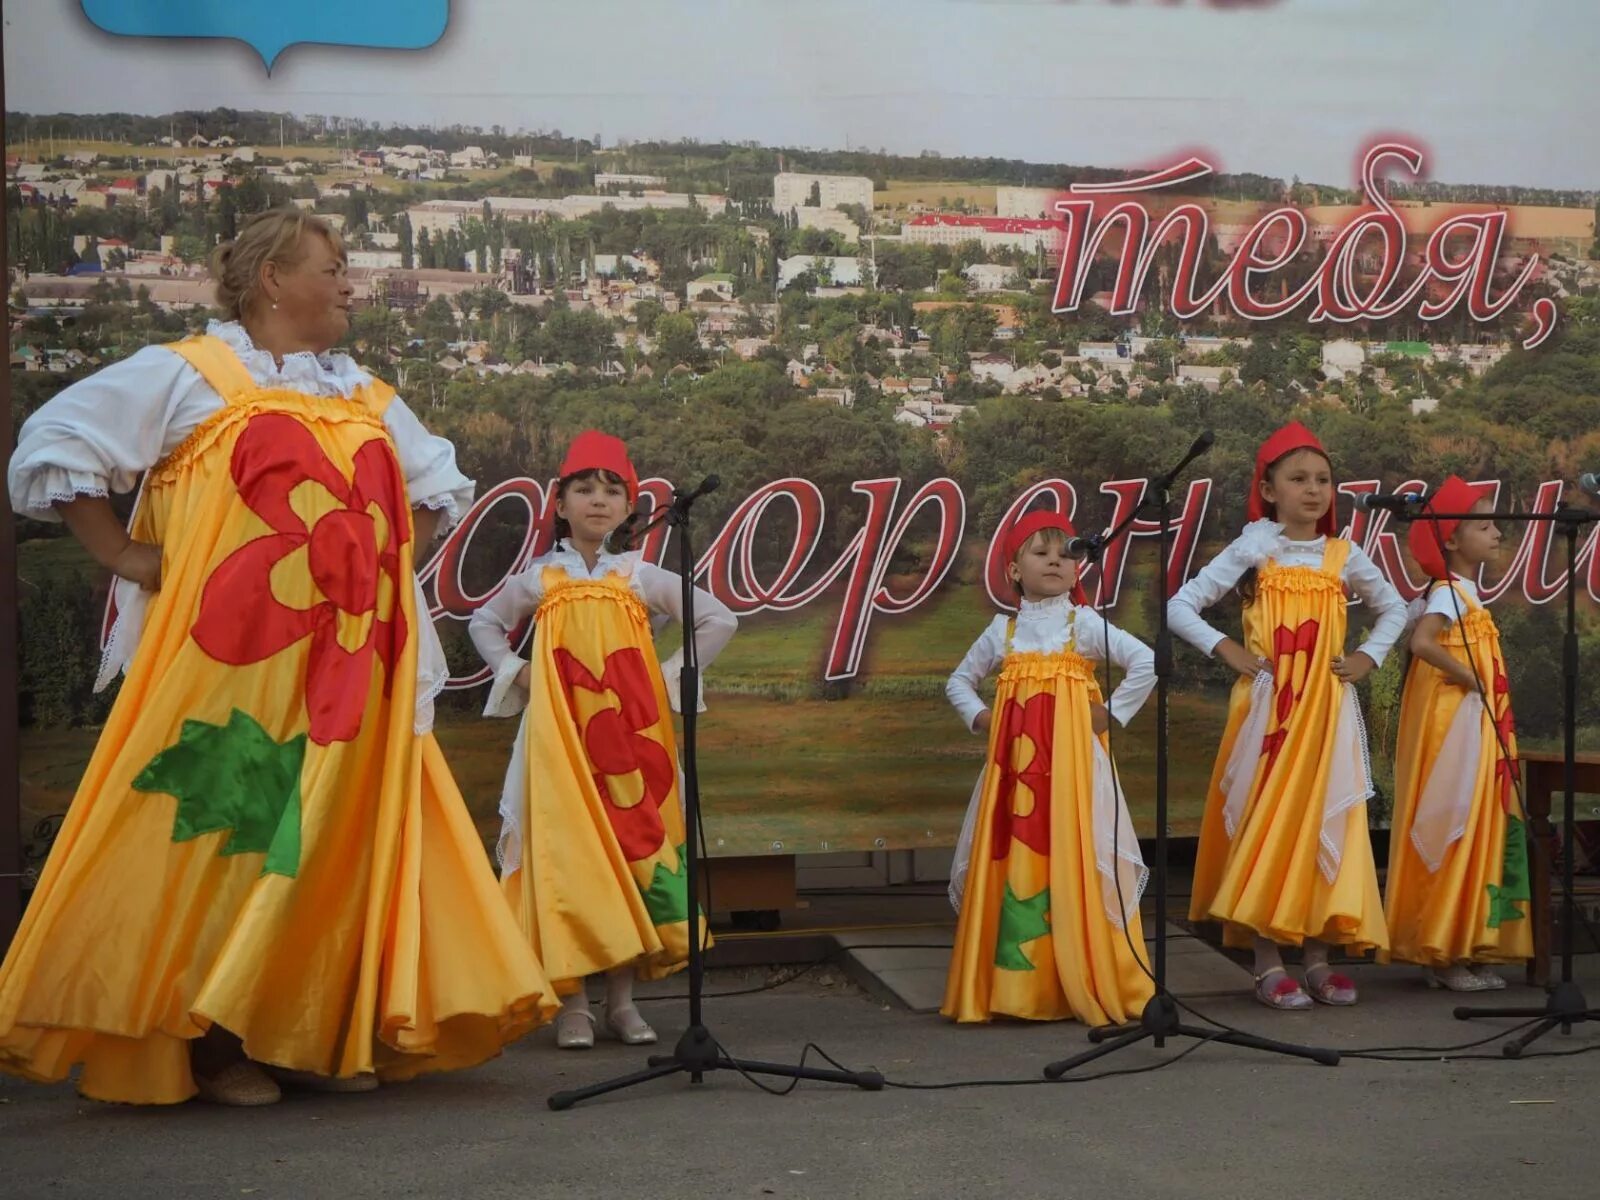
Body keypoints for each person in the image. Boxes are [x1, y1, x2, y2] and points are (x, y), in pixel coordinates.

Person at [0, 208, 554, 1106]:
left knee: (335, 843)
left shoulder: (365, 394)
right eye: (333, 268)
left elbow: (432, 494)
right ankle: (212, 1041)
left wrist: (365, 578)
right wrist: (125, 555)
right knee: (230, 836)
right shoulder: (190, 375)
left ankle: (311, 1030)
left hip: (348, 670)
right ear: (272, 281)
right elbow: (55, 447)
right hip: (230, 671)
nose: (349, 285)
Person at [468, 431, 737, 1049]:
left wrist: (666, 677)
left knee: (630, 857)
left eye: (611, 491)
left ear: (628, 506)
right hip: (559, 742)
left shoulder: (639, 576)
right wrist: (518, 672)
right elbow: (483, 621)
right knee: (568, 861)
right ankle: (574, 1005)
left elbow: (721, 617)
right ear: (559, 504)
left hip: (629, 746)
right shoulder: (540, 578)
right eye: (583, 490)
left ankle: (622, 1001)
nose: (597, 501)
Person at [1169, 422, 1405, 1009]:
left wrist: (1366, 656)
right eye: (1298, 478)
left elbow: (1395, 608)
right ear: (1269, 489)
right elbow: (1180, 606)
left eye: (1323, 479)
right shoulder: (1255, 547)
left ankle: (1319, 955)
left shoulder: (1343, 554)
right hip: (1268, 711)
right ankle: (1267, 959)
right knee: (1267, 820)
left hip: (1325, 709)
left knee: (1324, 818)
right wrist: (1232, 654)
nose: (1313, 490)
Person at [941, 510, 1155, 1025]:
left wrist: (1108, 715)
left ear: (1079, 569)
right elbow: (958, 682)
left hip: (1073, 775)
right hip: (1015, 778)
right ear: (1014, 569)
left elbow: (1145, 661)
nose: (1055, 561)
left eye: (1065, 554)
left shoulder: (1082, 625)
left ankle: (1079, 973)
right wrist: (987, 720)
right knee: (1016, 860)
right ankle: (1019, 986)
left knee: (1074, 854)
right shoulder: (1003, 632)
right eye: (1040, 553)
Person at [1383, 477, 1530, 990]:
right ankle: (1443, 952)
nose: (1496, 533)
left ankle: (1465, 944)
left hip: (1474, 725)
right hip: (1456, 726)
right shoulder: (1447, 591)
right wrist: (1470, 676)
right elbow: (1423, 642)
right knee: (1454, 821)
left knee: (1476, 826)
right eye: (1483, 525)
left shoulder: (1466, 593)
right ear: (1450, 540)